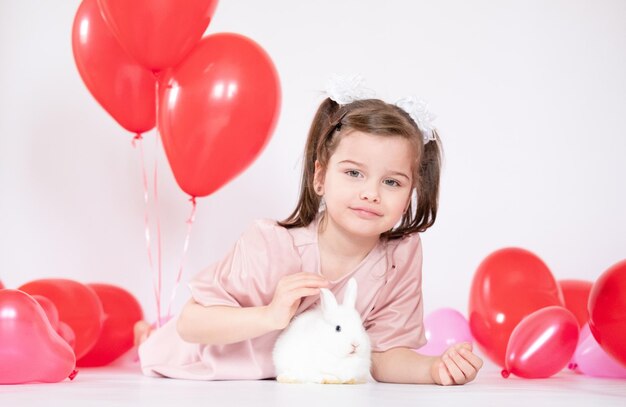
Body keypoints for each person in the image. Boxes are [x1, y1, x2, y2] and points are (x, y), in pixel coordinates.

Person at [136, 75, 483, 385]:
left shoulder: (400, 255)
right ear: (320, 176)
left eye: (392, 181)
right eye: (353, 173)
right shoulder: (271, 245)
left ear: (410, 194)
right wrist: (270, 315)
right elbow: (191, 324)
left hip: (287, 380)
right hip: (203, 361)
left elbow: (382, 356)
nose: (371, 193)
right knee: (158, 342)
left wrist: (434, 370)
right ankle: (147, 336)